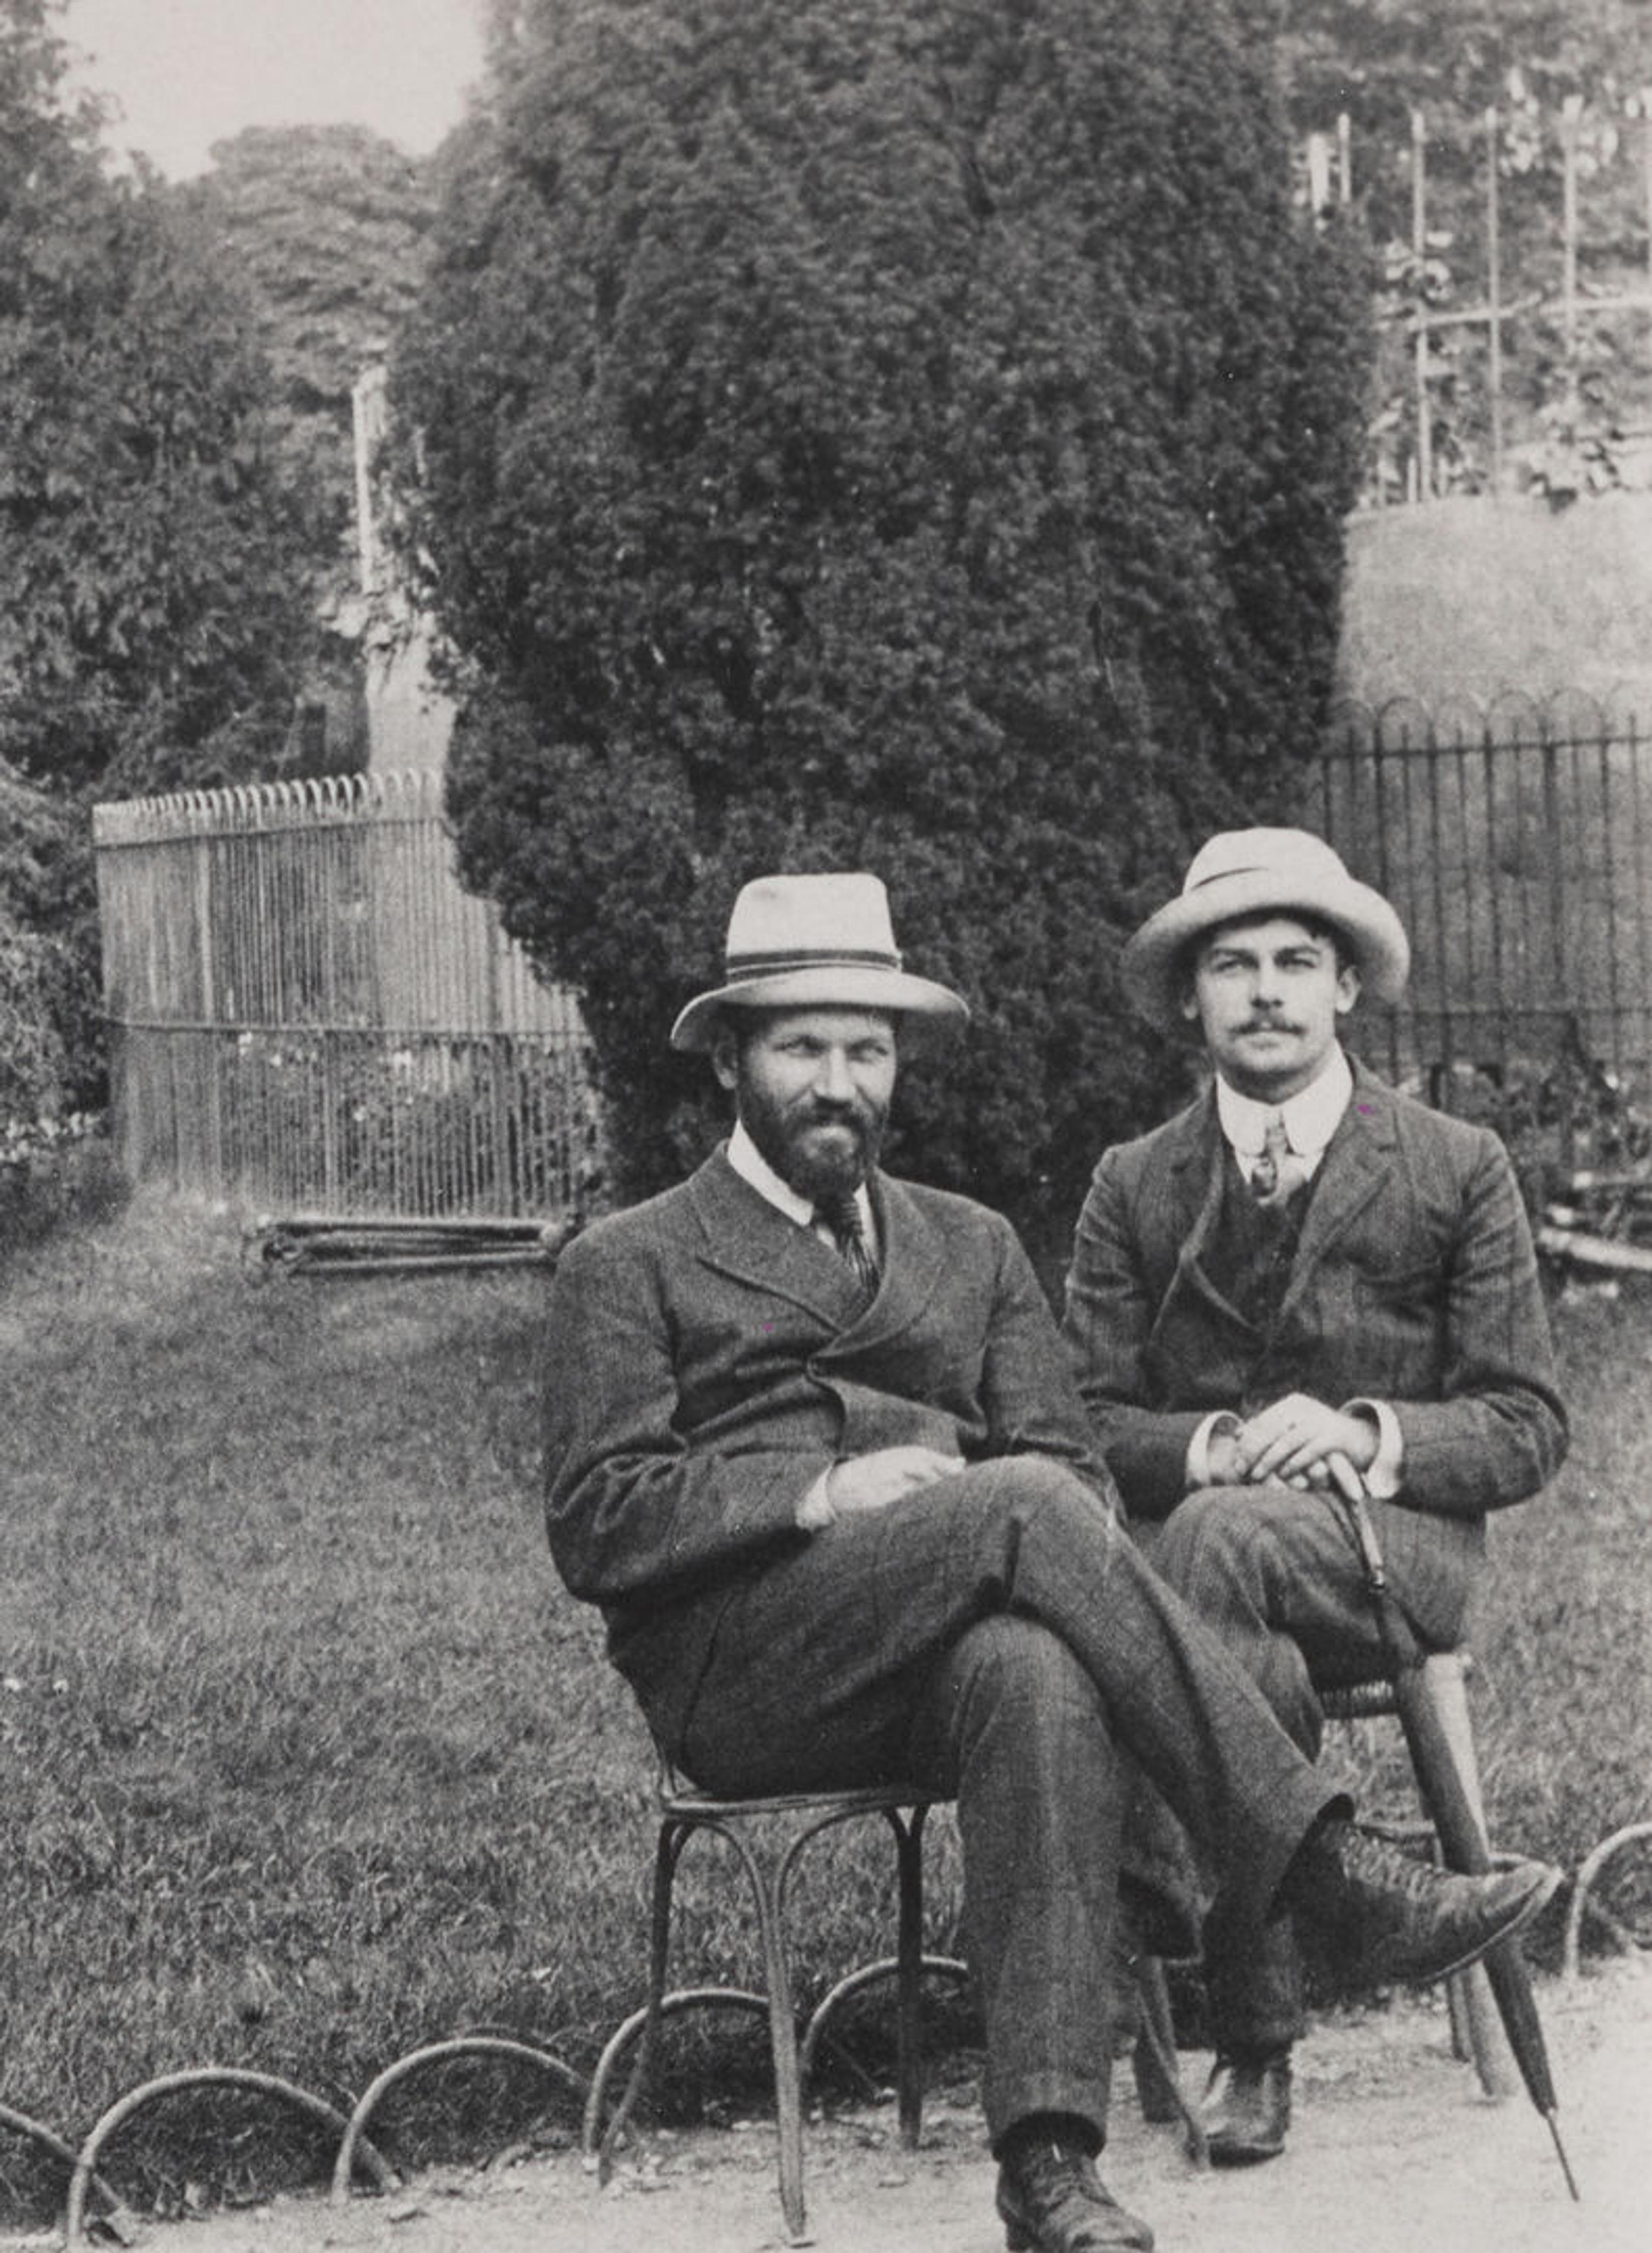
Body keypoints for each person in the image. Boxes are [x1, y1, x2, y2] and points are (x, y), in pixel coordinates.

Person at [544, 870, 1557, 2253]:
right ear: (730, 1058)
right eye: (800, 1046)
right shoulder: (632, 1259)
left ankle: (1049, 2166)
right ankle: (1321, 1873)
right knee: (1016, 1502)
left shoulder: (968, 1243)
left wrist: (971, 1521)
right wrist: (824, 1490)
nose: (838, 1081)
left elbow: (1073, 1468)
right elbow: (600, 1516)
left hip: (937, 1640)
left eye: (868, 1048)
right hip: (746, 1664)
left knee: (1034, 1665)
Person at [1062, 827, 1568, 2170]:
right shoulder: (1135, 1184)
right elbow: (1085, 1421)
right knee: (1230, 1592)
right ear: (1191, 998)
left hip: (1397, 1556)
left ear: (1347, 987)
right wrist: (1218, 1447)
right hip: (1215, 1573)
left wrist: (1361, 1431)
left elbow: (1526, 1424)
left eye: (1299, 961)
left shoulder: (1456, 1164)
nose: (1268, 990)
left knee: (1201, 1570)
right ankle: (1318, 1929)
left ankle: (1216, 1973)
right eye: (1235, 964)